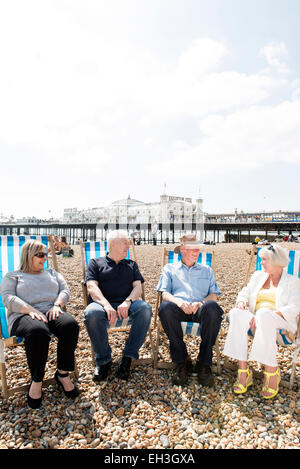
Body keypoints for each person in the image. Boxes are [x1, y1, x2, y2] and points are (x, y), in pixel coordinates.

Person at [0, 239, 80, 409]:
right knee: (38, 331)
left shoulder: (52, 273)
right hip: (22, 315)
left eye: (46, 254)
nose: (45, 258)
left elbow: (65, 290)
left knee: (70, 325)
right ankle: (37, 380)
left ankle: (63, 374)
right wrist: (30, 310)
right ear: (29, 255)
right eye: (41, 255)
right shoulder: (13, 276)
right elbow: (7, 298)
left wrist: (57, 304)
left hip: (51, 310)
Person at [223, 244, 300, 399]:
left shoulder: (293, 282)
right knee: (236, 313)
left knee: (264, 314)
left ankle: (272, 372)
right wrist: (241, 302)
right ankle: (243, 372)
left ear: (276, 261)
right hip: (256, 319)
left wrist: (267, 314)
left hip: (281, 322)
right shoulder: (258, 276)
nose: (261, 263)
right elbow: (244, 292)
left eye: (264, 260)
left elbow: (294, 308)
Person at [84, 230, 152, 382]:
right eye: (125, 242)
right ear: (112, 244)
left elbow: (138, 288)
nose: (128, 245)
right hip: (102, 306)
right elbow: (91, 287)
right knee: (91, 313)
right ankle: (103, 360)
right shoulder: (95, 263)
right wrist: (106, 304)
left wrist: (127, 302)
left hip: (127, 305)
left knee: (145, 309)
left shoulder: (131, 264)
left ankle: (128, 357)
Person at [157, 234, 223, 387]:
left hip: (201, 310)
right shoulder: (169, 269)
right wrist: (179, 303)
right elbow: (164, 293)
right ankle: (182, 361)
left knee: (213, 308)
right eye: (192, 249)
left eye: (197, 249)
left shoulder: (207, 270)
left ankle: (204, 362)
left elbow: (214, 294)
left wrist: (201, 303)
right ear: (182, 249)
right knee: (165, 308)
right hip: (179, 309)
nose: (197, 252)